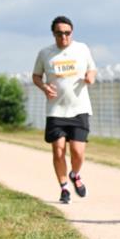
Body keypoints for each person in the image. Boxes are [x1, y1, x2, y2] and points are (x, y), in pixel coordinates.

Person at [32, 15, 97, 204]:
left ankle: (75, 175)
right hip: (56, 110)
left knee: (77, 152)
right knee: (58, 150)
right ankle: (64, 189)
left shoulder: (82, 49)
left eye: (67, 33)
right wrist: (44, 87)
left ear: (72, 33)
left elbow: (92, 69)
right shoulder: (45, 53)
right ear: (53, 34)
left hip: (79, 108)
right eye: (59, 33)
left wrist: (90, 77)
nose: (64, 37)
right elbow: (36, 76)